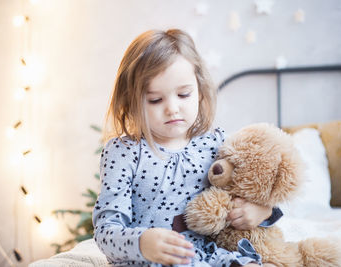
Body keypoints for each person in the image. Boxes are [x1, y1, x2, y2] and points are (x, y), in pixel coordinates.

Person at [93, 29, 281, 267]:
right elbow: (106, 231)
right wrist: (142, 243)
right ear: (131, 101)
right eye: (155, 100)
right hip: (148, 261)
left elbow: (252, 190)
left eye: (183, 94)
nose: (172, 108)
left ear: (200, 91)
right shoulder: (122, 152)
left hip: (206, 256)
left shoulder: (215, 143)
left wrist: (262, 211)